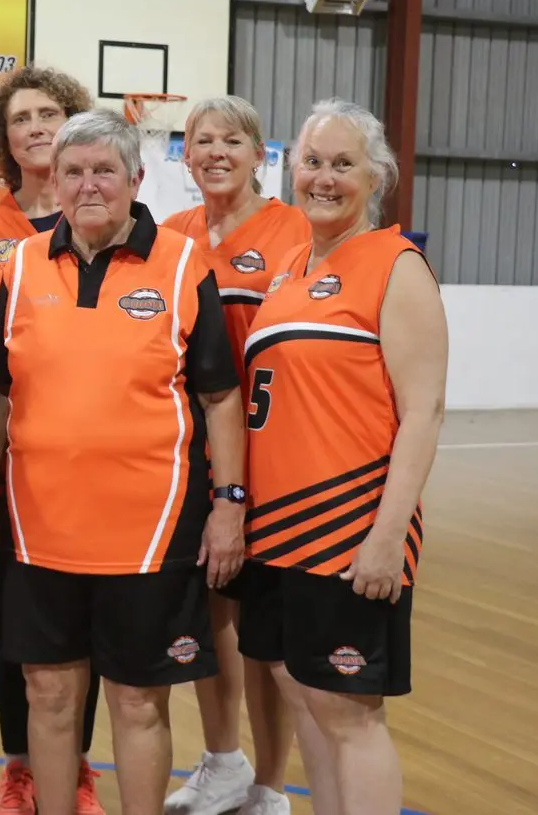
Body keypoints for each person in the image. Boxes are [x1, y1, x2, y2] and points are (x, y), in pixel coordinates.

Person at [0, 109, 247, 815]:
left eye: (103, 170)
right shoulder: (22, 263)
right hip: (40, 526)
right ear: (55, 180)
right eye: (73, 171)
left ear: (135, 178)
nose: (87, 185)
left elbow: (220, 395)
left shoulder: (182, 263)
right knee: (48, 692)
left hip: (151, 529)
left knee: (137, 697)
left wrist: (229, 504)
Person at [238, 99, 446, 815]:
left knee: (348, 712)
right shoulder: (288, 268)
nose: (323, 178)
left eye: (342, 164)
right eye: (312, 161)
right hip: (276, 530)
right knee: (302, 695)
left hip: (348, 528)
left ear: (375, 177)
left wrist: (387, 535)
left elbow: (423, 411)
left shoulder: (396, 265)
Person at [161, 97, 310, 815]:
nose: (216, 152)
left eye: (231, 140)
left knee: (265, 634)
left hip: (276, 456)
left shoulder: (296, 232)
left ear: (258, 154)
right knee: (208, 614)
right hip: (194, 456)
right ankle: (223, 760)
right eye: (202, 141)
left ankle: (270, 787)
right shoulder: (170, 235)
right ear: (185, 155)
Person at [0, 66, 104, 815]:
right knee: (16, 623)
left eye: (49, 113)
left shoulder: (106, 215)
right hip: (5, 451)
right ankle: (19, 770)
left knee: (88, 624)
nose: (36, 128)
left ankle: (74, 770)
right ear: (3, 137)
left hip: (94, 455)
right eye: (20, 119)